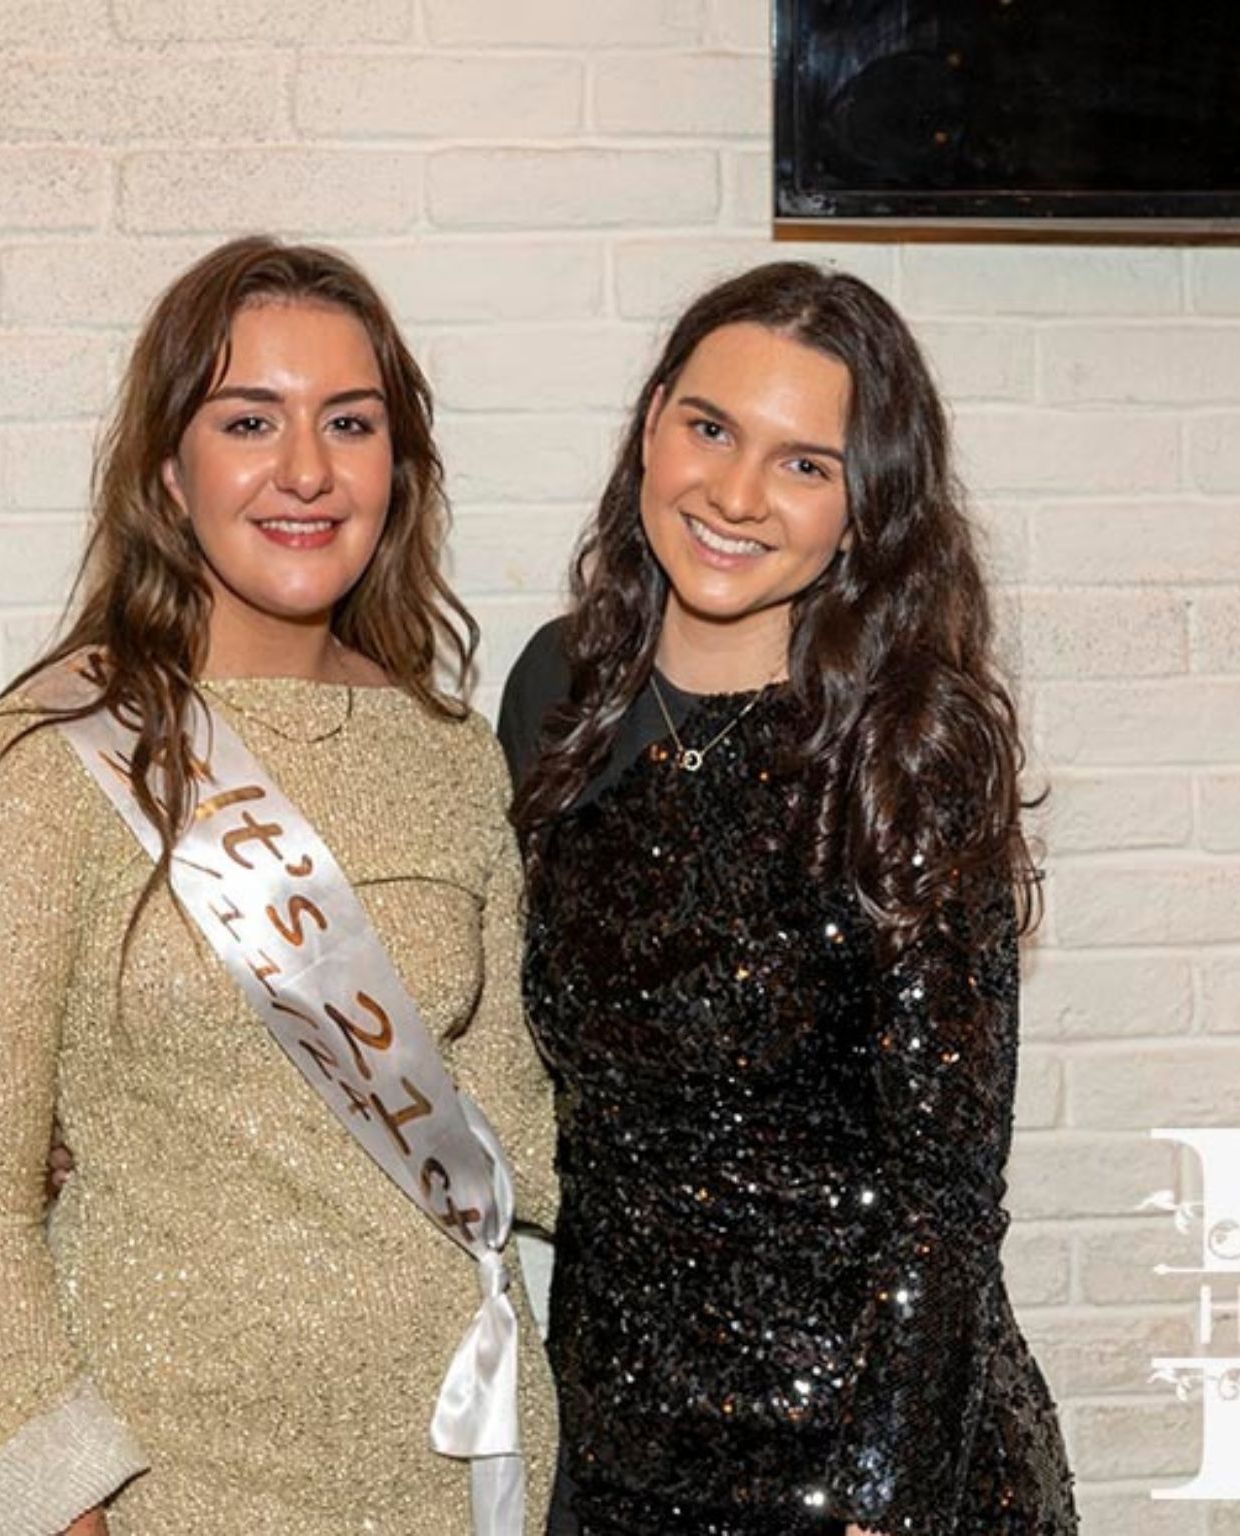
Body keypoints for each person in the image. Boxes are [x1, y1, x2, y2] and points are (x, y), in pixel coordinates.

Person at [0, 236, 557, 1536]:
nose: (306, 469)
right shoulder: (44, 760)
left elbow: (515, 1127)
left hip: (452, 1458)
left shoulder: (445, 753)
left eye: (349, 423)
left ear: (396, 467)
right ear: (168, 469)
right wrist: (55, 1508)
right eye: (249, 420)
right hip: (160, 1476)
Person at [499, 262, 1079, 1536]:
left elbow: (943, 1196)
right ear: (651, 424)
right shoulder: (556, 691)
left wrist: (881, 1503)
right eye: (709, 429)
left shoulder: (908, 749)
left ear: (865, 508)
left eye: (803, 464)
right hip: (619, 1447)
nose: (735, 494)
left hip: (861, 1466)